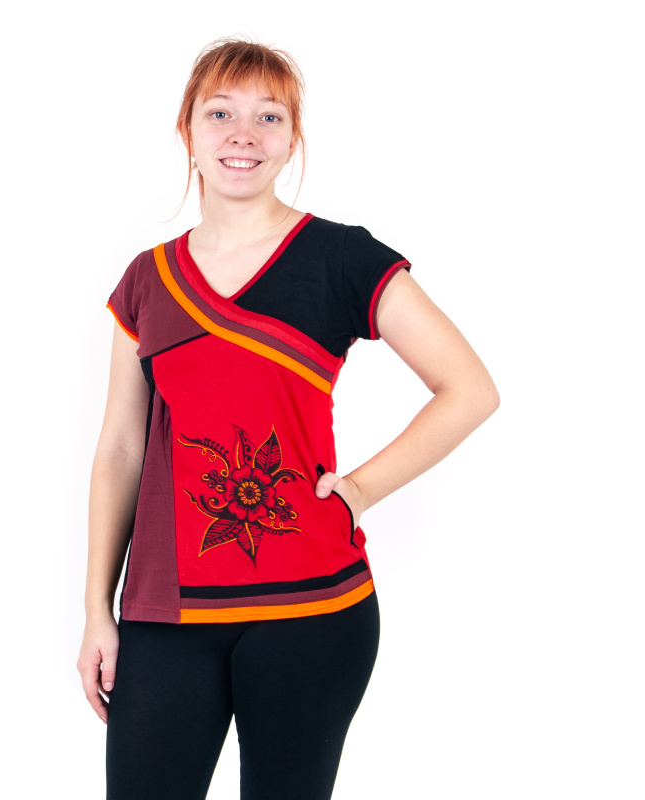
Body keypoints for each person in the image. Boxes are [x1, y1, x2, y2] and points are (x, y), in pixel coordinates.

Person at [77, 36, 499, 800]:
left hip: (312, 609)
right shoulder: (147, 278)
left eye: (269, 116)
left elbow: (469, 389)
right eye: (221, 113)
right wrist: (95, 610)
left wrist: (360, 490)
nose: (244, 134)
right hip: (165, 614)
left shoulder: (343, 258)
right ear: (187, 131)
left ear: (293, 138)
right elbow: (119, 452)